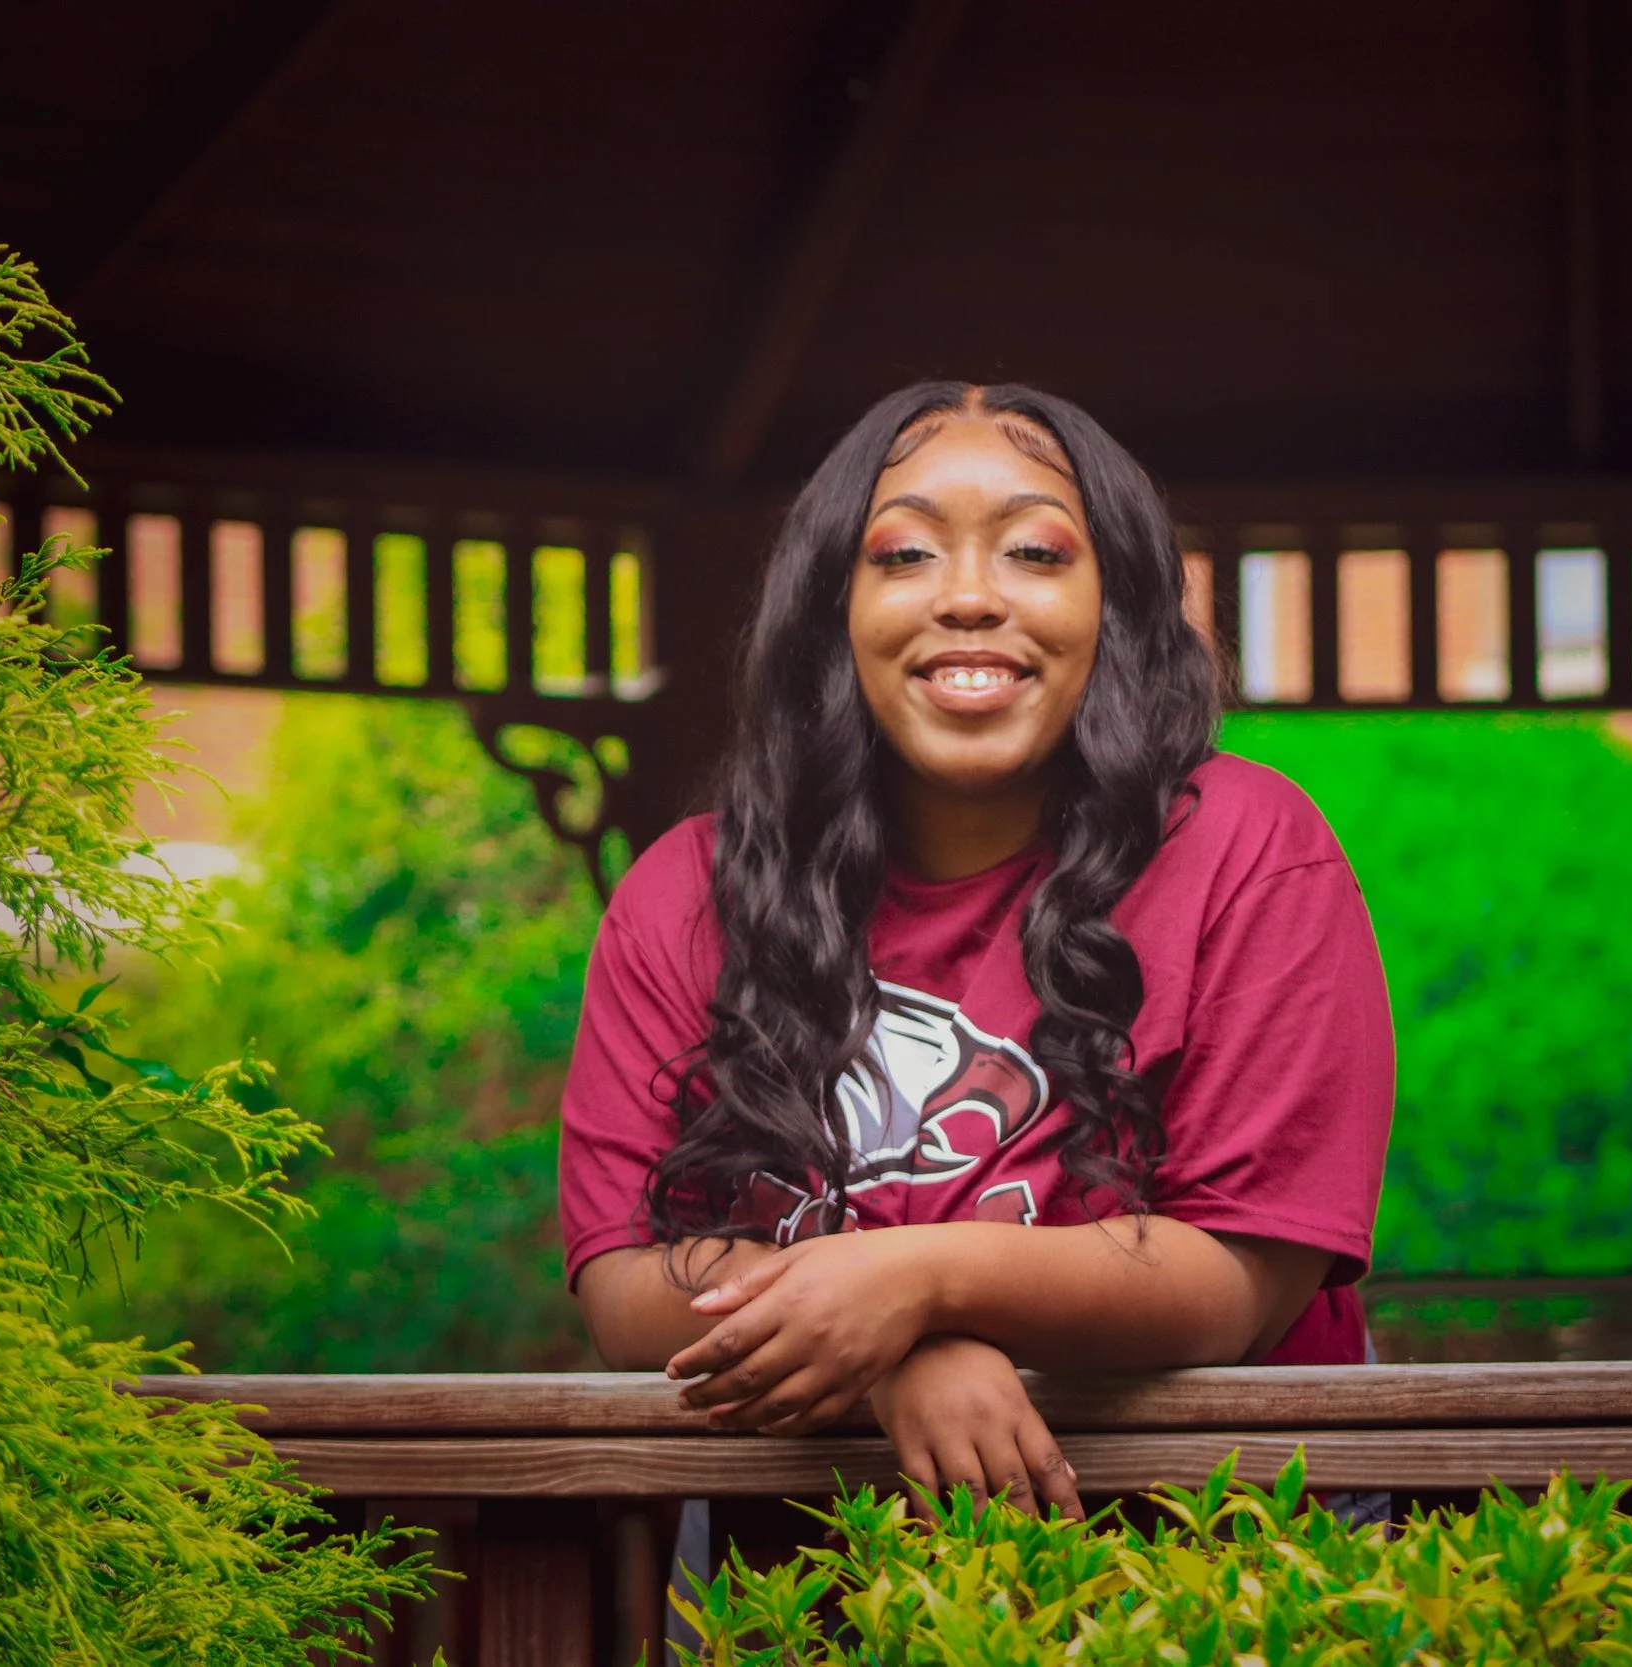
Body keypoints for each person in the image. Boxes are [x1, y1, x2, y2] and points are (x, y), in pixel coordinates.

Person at [560, 381, 1393, 1523]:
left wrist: (920, 1283)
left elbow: (1239, 1281)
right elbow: (620, 1282)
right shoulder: (684, 893)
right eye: (902, 554)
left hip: (1222, 1560)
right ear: (830, 609)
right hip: (812, 1570)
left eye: (1035, 553)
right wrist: (891, 1349)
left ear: (1118, 605)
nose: (966, 596)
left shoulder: (1251, 848)